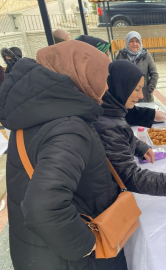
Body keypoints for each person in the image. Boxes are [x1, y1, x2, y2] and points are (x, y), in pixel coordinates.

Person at [0, 40, 133, 269]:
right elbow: (42, 206)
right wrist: (85, 244)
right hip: (67, 259)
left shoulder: (36, 111)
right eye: (101, 78)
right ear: (82, 77)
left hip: (38, 249)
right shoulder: (68, 127)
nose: (105, 88)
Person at [94, 60, 166, 199]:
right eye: (137, 89)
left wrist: (139, 146)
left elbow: (120, 138)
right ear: (121, 87)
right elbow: (130, 176)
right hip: (108, 198)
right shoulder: (107, 124)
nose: (141, 95)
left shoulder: (111, 109)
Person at [116, 31, 159, 103]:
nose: (134, 44)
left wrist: (148, 90)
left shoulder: (146, 55)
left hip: (144, 96)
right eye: (131, 41)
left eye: (137, 41)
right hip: (127, 97)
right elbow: (116, 76)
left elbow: (154, 74)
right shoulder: (121, 56)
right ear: (127, 42)